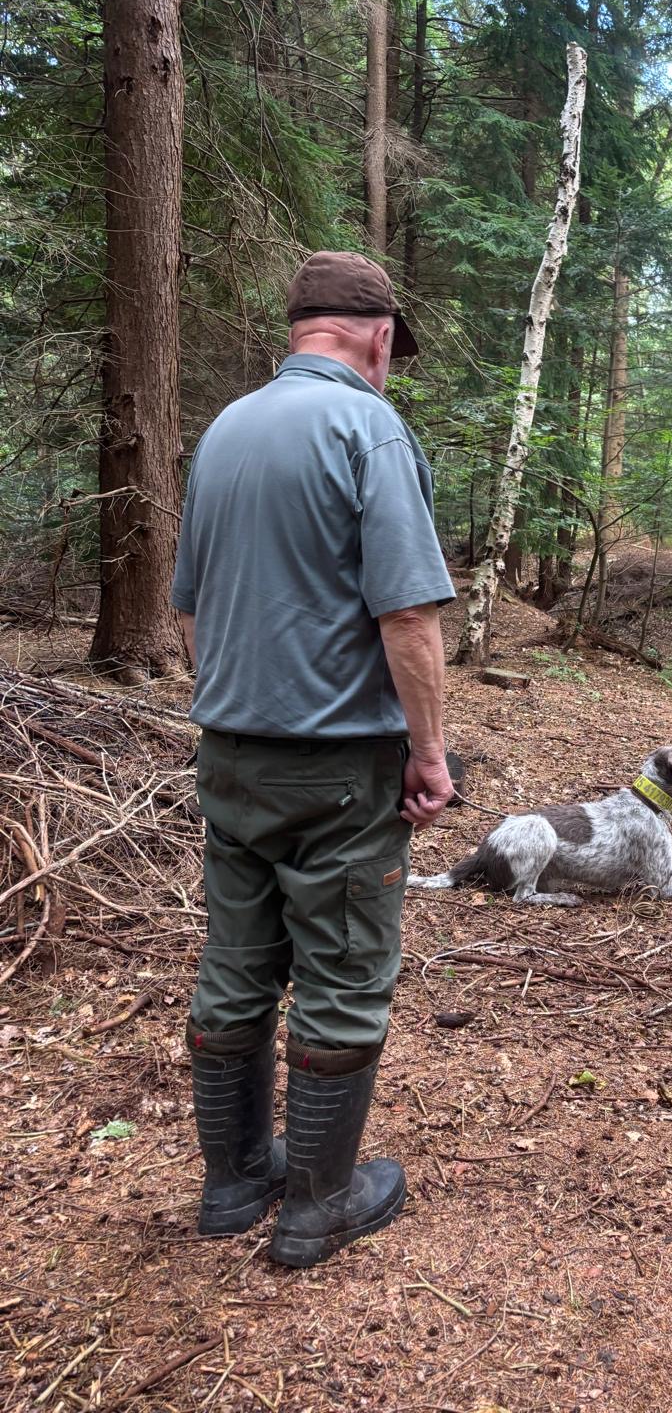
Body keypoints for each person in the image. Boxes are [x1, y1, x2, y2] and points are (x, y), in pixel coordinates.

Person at [171, 250, 456, 1268]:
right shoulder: (368, 428)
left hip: (229, 757)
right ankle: (317, 1205)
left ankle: (233, 1179)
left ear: (299, 330)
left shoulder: (226, 431)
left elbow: (192, 613)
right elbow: (408, 613)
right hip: (338, 768)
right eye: (392, 350)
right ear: (377, 335)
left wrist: (236, 708)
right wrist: (429, 752)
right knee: (342, 976)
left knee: (237, 965)